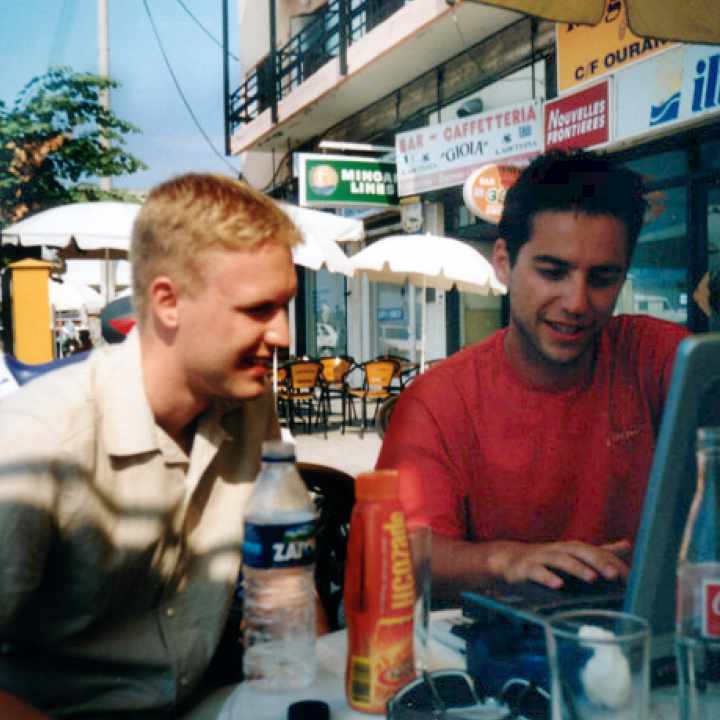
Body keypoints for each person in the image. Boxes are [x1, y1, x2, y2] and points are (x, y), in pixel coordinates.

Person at [0, 173, 301, 718]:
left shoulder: (251, 406)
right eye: (259, 310)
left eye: (285, 306)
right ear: (167, 302)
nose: (282, 336)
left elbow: (282, 580)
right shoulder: (37, 442)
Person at [377, 150, 689, 595]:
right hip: (499, 651)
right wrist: (507, 558)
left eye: (602, 278)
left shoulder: (654, 355)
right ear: (503, 262)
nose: (577, 302)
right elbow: (399, 550)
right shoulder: (439, 400)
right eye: (552, 271)